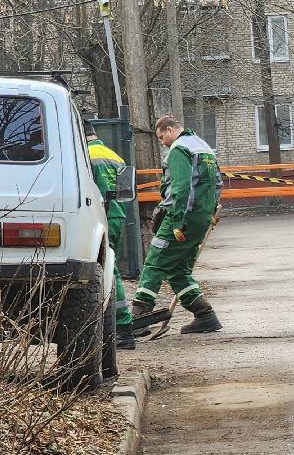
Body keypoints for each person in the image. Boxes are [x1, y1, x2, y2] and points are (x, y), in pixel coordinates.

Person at [128, 116, 224, 334]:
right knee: (178, 269)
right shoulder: (204, 147)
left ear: (170, 130)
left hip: (179, 217)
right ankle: (204, 315)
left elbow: (180, 188)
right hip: (201, 218)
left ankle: (138, 317)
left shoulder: (179, 149)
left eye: (162, 137)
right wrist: (208, 214)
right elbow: (218, 183)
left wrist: (177, 222)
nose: (163, 142)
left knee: (155, 262)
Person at [85, 127, 136, 349]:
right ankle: (121, 327)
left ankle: (124, 328)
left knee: (109, 271)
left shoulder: (84, 155)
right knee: (109, 267)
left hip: (99, 215)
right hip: (117, 214)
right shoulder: (114, 156)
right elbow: (126, 191)